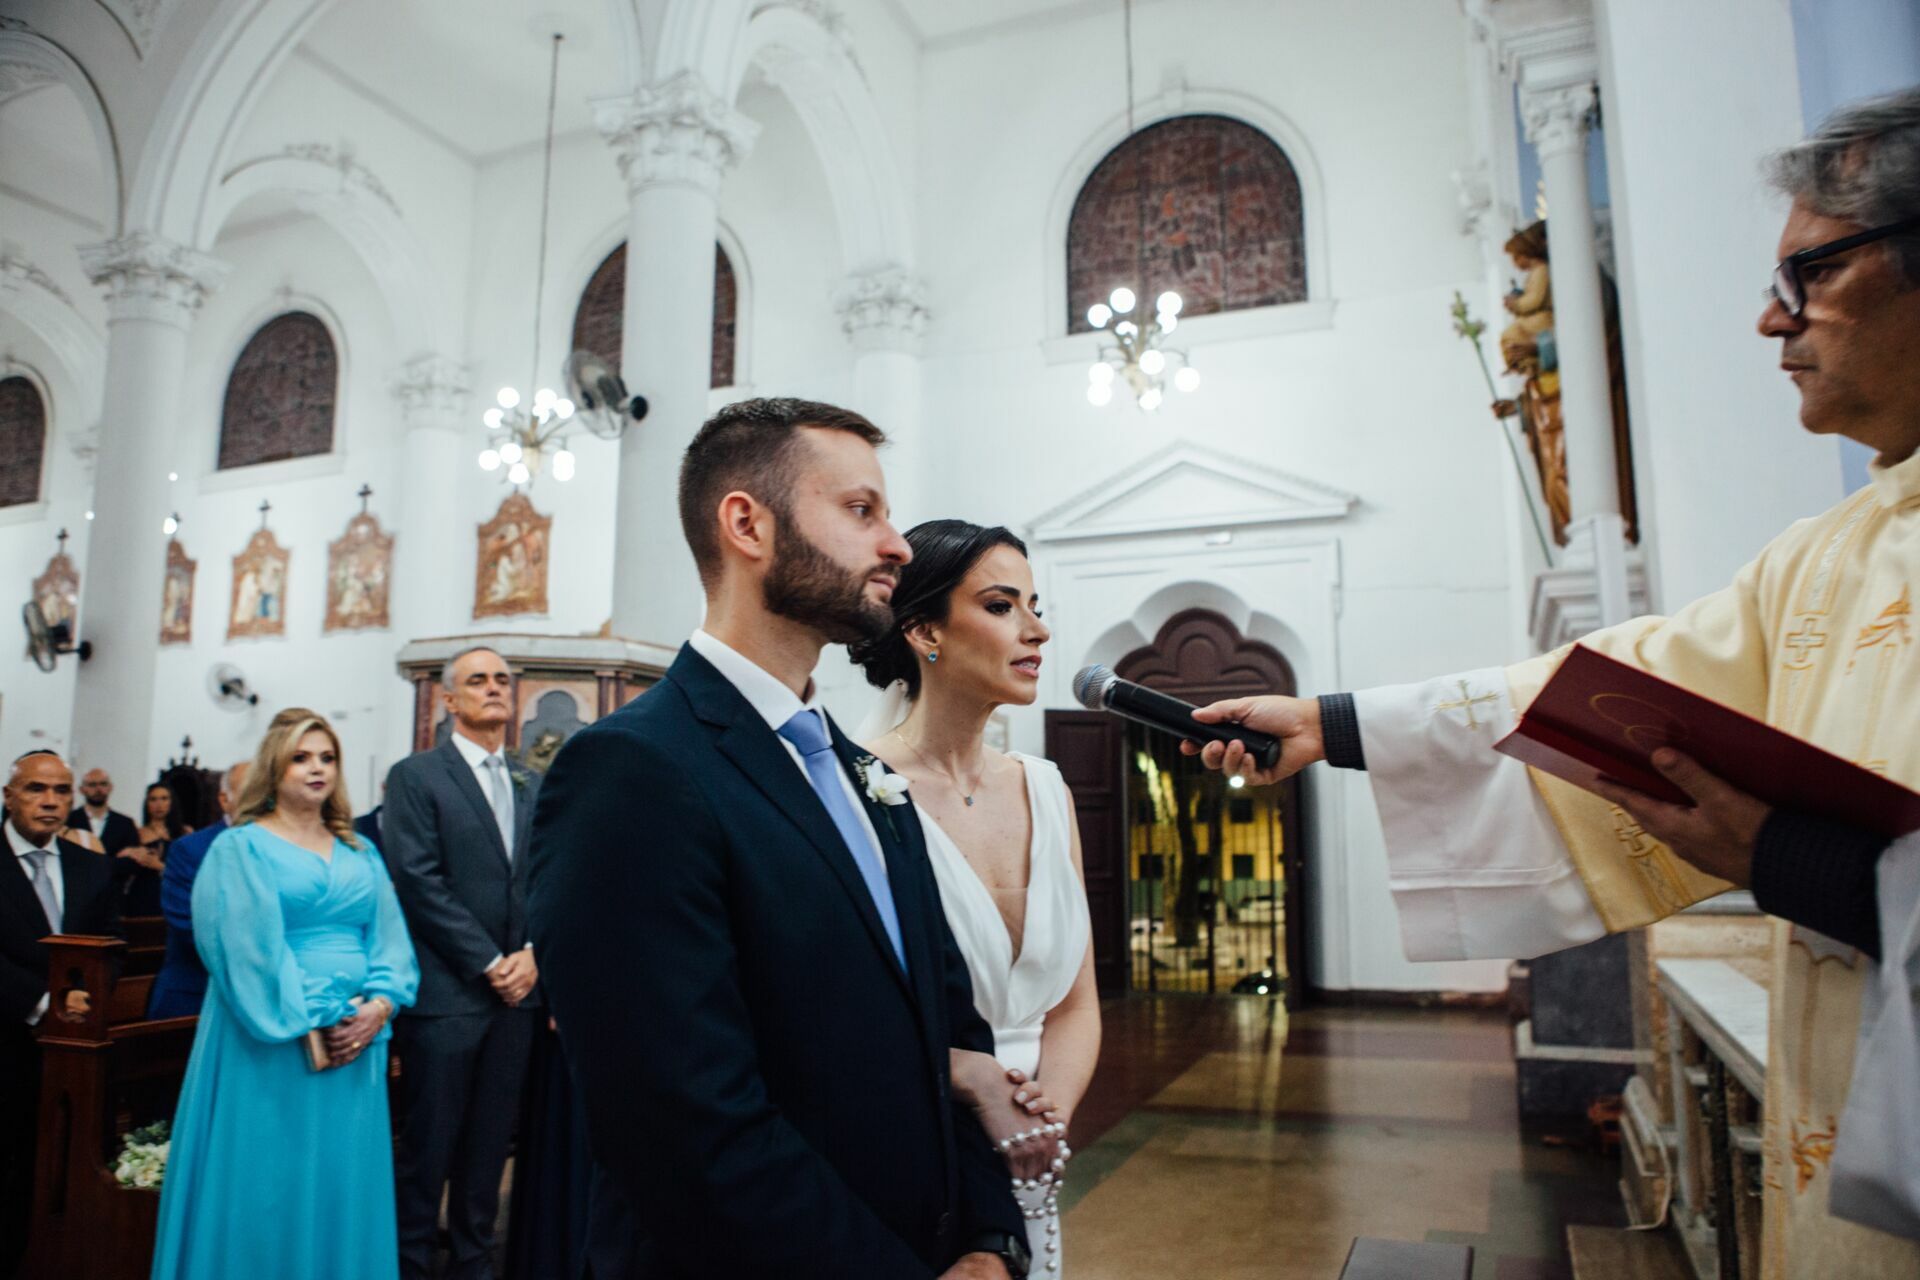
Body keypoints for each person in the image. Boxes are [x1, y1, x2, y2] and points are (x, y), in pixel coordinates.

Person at [1183, 88, 1920, 1276]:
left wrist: (1786, 858)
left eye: (1812, 272)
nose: (1769, 317)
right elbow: (1624, 686)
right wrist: (1331, 722)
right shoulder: (1831, 551)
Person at [528, 398, 1030, 1279]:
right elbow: (684, 1128)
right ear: (747, 525)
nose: (897, 545)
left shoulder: (862, 772)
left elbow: (950, 1032)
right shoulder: (630, 772)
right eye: (861, 510)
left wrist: (990, 1239)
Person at [852, 520, 1100, 1276]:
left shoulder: (1048, 790)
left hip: (1034, 1156)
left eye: (1034, 606)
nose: (1037, 630)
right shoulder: (858, 792)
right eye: (1001, 606)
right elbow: (847, 1012)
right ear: (924, 630)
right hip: (911, 1141)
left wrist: (1045, 1122)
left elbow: (1076, 1003)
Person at [149, 709, 418, 1280]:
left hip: (356, 1043)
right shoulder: (240, 848)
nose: (317, 768)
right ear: (274, 768)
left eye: (327, 757)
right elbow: (243, 949)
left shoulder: (360, 851)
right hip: (271, 1036)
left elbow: (390, 940)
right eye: (301, 757)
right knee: (267, 1182)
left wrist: (378, 1006)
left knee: (341, 1178)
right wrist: (323, 1014)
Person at [382, 646, 540, 1280]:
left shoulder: (532, 780)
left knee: (490, 1147)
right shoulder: (417, 776)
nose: (494, 688)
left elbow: (547, 876)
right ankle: (412, 1263)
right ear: (450, 700)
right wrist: (490, 962)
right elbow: (417, 880)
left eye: (502, 679)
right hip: (449, 996)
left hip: (519, 997)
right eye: (478, 680)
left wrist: (532, 956)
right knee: (429, 1146)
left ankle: (475, 1261)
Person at [2, 751, 119, 1277]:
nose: (50, 801)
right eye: (36, 789)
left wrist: (86, 995)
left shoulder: (90, 866)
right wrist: (45, 1002)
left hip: (75, 1051)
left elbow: (112, 944)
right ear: (9, 796)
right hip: (8, 1036)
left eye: (60, 791)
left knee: (55, 1171)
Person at [146, 762, 249, 1019]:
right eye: (251, 791)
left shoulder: (281, 850)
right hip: (196, 995)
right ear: (225, 800)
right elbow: (189, 926)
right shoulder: (191, 849)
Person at [121, 781, 190, 917]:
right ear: (147, 804)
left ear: (172, 802)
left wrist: (159, 866)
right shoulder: (137, 833)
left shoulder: (185, 833)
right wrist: (130, 853)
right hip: (143, 894)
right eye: (153, 799)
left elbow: (189, 870)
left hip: (175, 893)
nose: (159, 804)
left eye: (164, 798)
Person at [69, 767, 138, 855]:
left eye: (103, 784)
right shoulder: (69, 821)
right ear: (82, 789)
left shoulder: (125, 824)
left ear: (110, 787)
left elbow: (132, 858)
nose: (98, 789)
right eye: (92, 785)